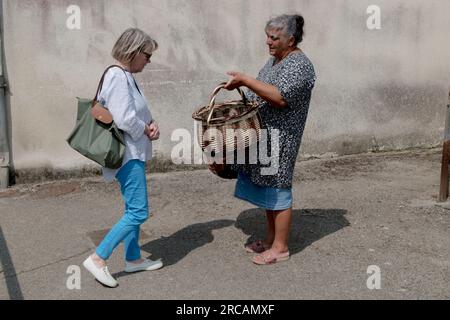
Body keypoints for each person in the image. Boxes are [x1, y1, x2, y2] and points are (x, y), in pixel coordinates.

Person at [224, 14, 316, 265]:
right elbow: (260, 90)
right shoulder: (274, 61)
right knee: (267, 190)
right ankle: (270, 240)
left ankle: (281, 248)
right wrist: (240, 88)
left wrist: (246, 79)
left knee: (279, 189)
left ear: (291, 40)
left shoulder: (300, 65)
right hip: (265, 136)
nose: (268, 42)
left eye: (274, 38)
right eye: (267, 36)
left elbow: (279, 97)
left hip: (282, 137)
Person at [83, 28, 162, 287]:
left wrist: (150, 123)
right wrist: (146, 128)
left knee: (132, 208)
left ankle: (134, 258)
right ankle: (98, 257)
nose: (149, 61)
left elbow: (133, 112)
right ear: (135, 51)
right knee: (139, 212)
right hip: (127, 155)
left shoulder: (125, 75)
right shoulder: (118, 76)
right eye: (147, 55)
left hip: (131, 153)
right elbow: (124, 117)